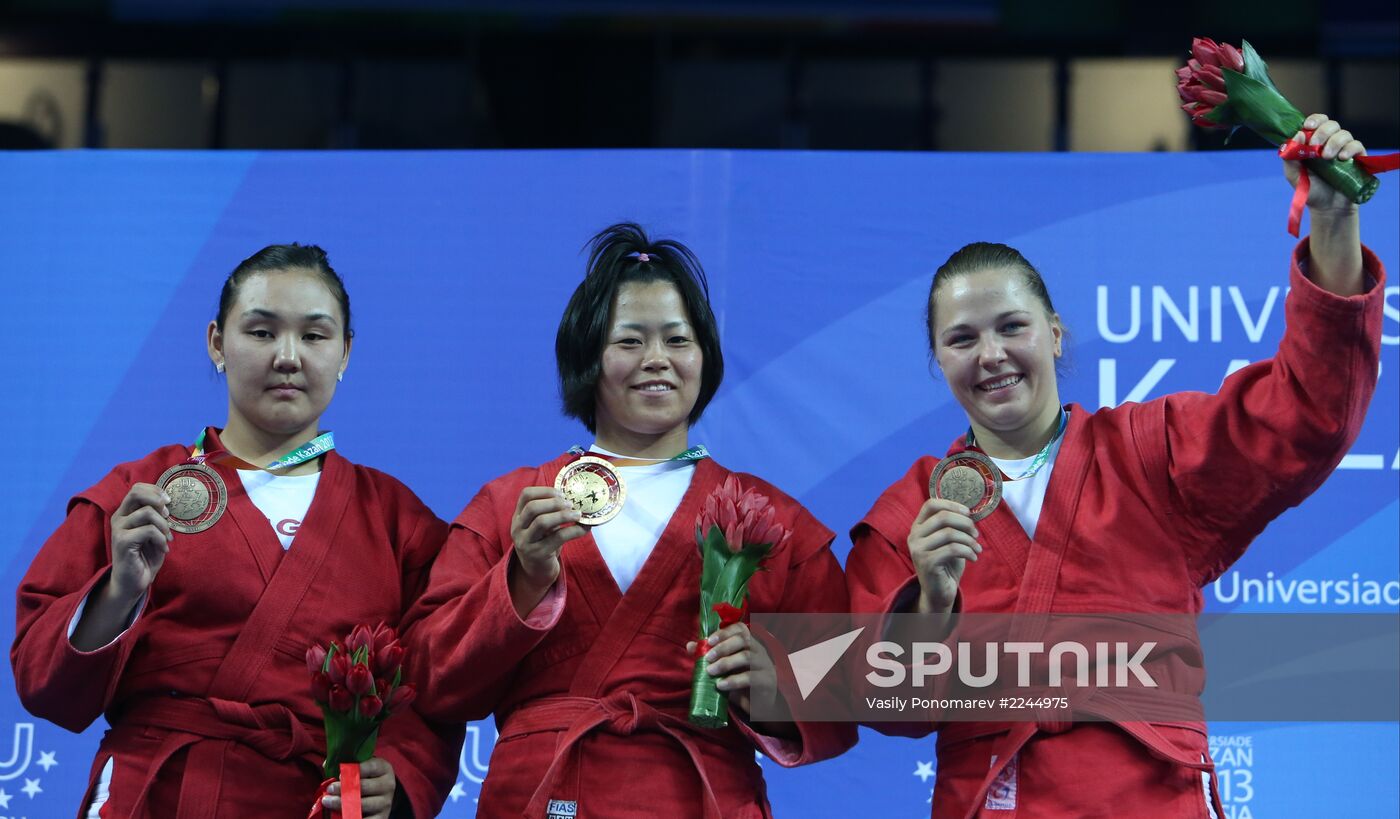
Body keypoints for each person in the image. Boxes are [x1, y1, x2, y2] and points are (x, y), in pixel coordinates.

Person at [845, 115, 1385, 817]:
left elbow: (1308, 413)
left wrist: (1332, 218)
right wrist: (932, 599)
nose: (991, 354)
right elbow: (889, 707)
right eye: (961, 338)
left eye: (1012, 326)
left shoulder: (1149, 450)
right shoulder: (912, 510)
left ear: (1055, 332)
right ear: (939, 361)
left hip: (1150, 797)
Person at [407, 223, 856, 818]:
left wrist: (771, 687)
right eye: (629, 342)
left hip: (699, 798)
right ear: (586, 358)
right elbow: (431, 679)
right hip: (544, 796)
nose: (657, 361)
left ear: (704, 357)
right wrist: (523, 578)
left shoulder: (768, 516)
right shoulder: (514, 503)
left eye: (678, 340)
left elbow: (844, 690)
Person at [11, 244, 462, 819]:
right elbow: (43, 685)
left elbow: (435, 684)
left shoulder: (401, 522)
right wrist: (119, 590)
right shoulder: (139, 492)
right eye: (262, 332)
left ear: (346, 353)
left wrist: (397, 779)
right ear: (217, 344)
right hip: (159, 793)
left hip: (311, 802)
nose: (288, 357)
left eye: (316, 337)